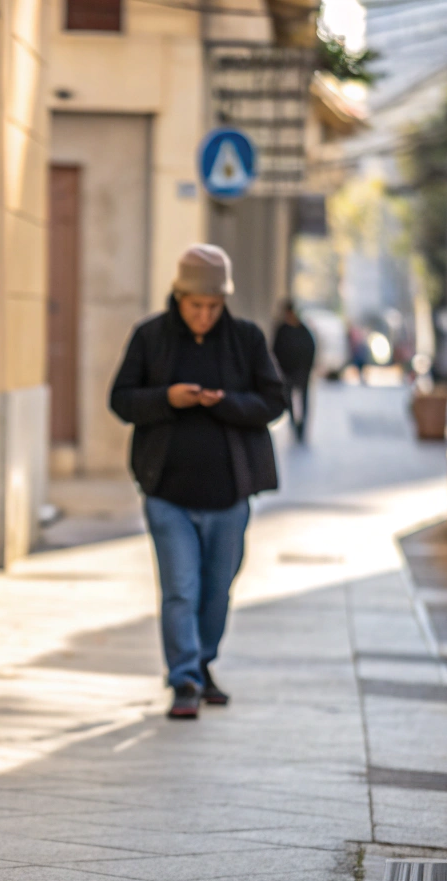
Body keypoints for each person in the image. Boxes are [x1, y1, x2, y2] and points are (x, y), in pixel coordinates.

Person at [109, 245, 285, 719]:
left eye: (213, 306)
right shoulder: (150, 337)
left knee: (217, 590)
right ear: (178, 296)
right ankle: (184, 677)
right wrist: (168, 398)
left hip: (229, 496)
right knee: (180, 589)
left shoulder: (246, 339)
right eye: (195, 305)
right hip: (167, 494)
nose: (204, 315)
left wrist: (225, 403)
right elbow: (121, 400)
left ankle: (203, 662)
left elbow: (274, 402)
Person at [272, 300, 317, 442]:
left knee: (303, 400)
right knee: (289, 401)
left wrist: (307, 368)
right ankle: (293, 425)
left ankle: (302, 428)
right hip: (287, 373)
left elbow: (311, 348)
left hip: (302, 372)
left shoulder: (303, 330)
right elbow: (276, 349)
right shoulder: (282, 330)